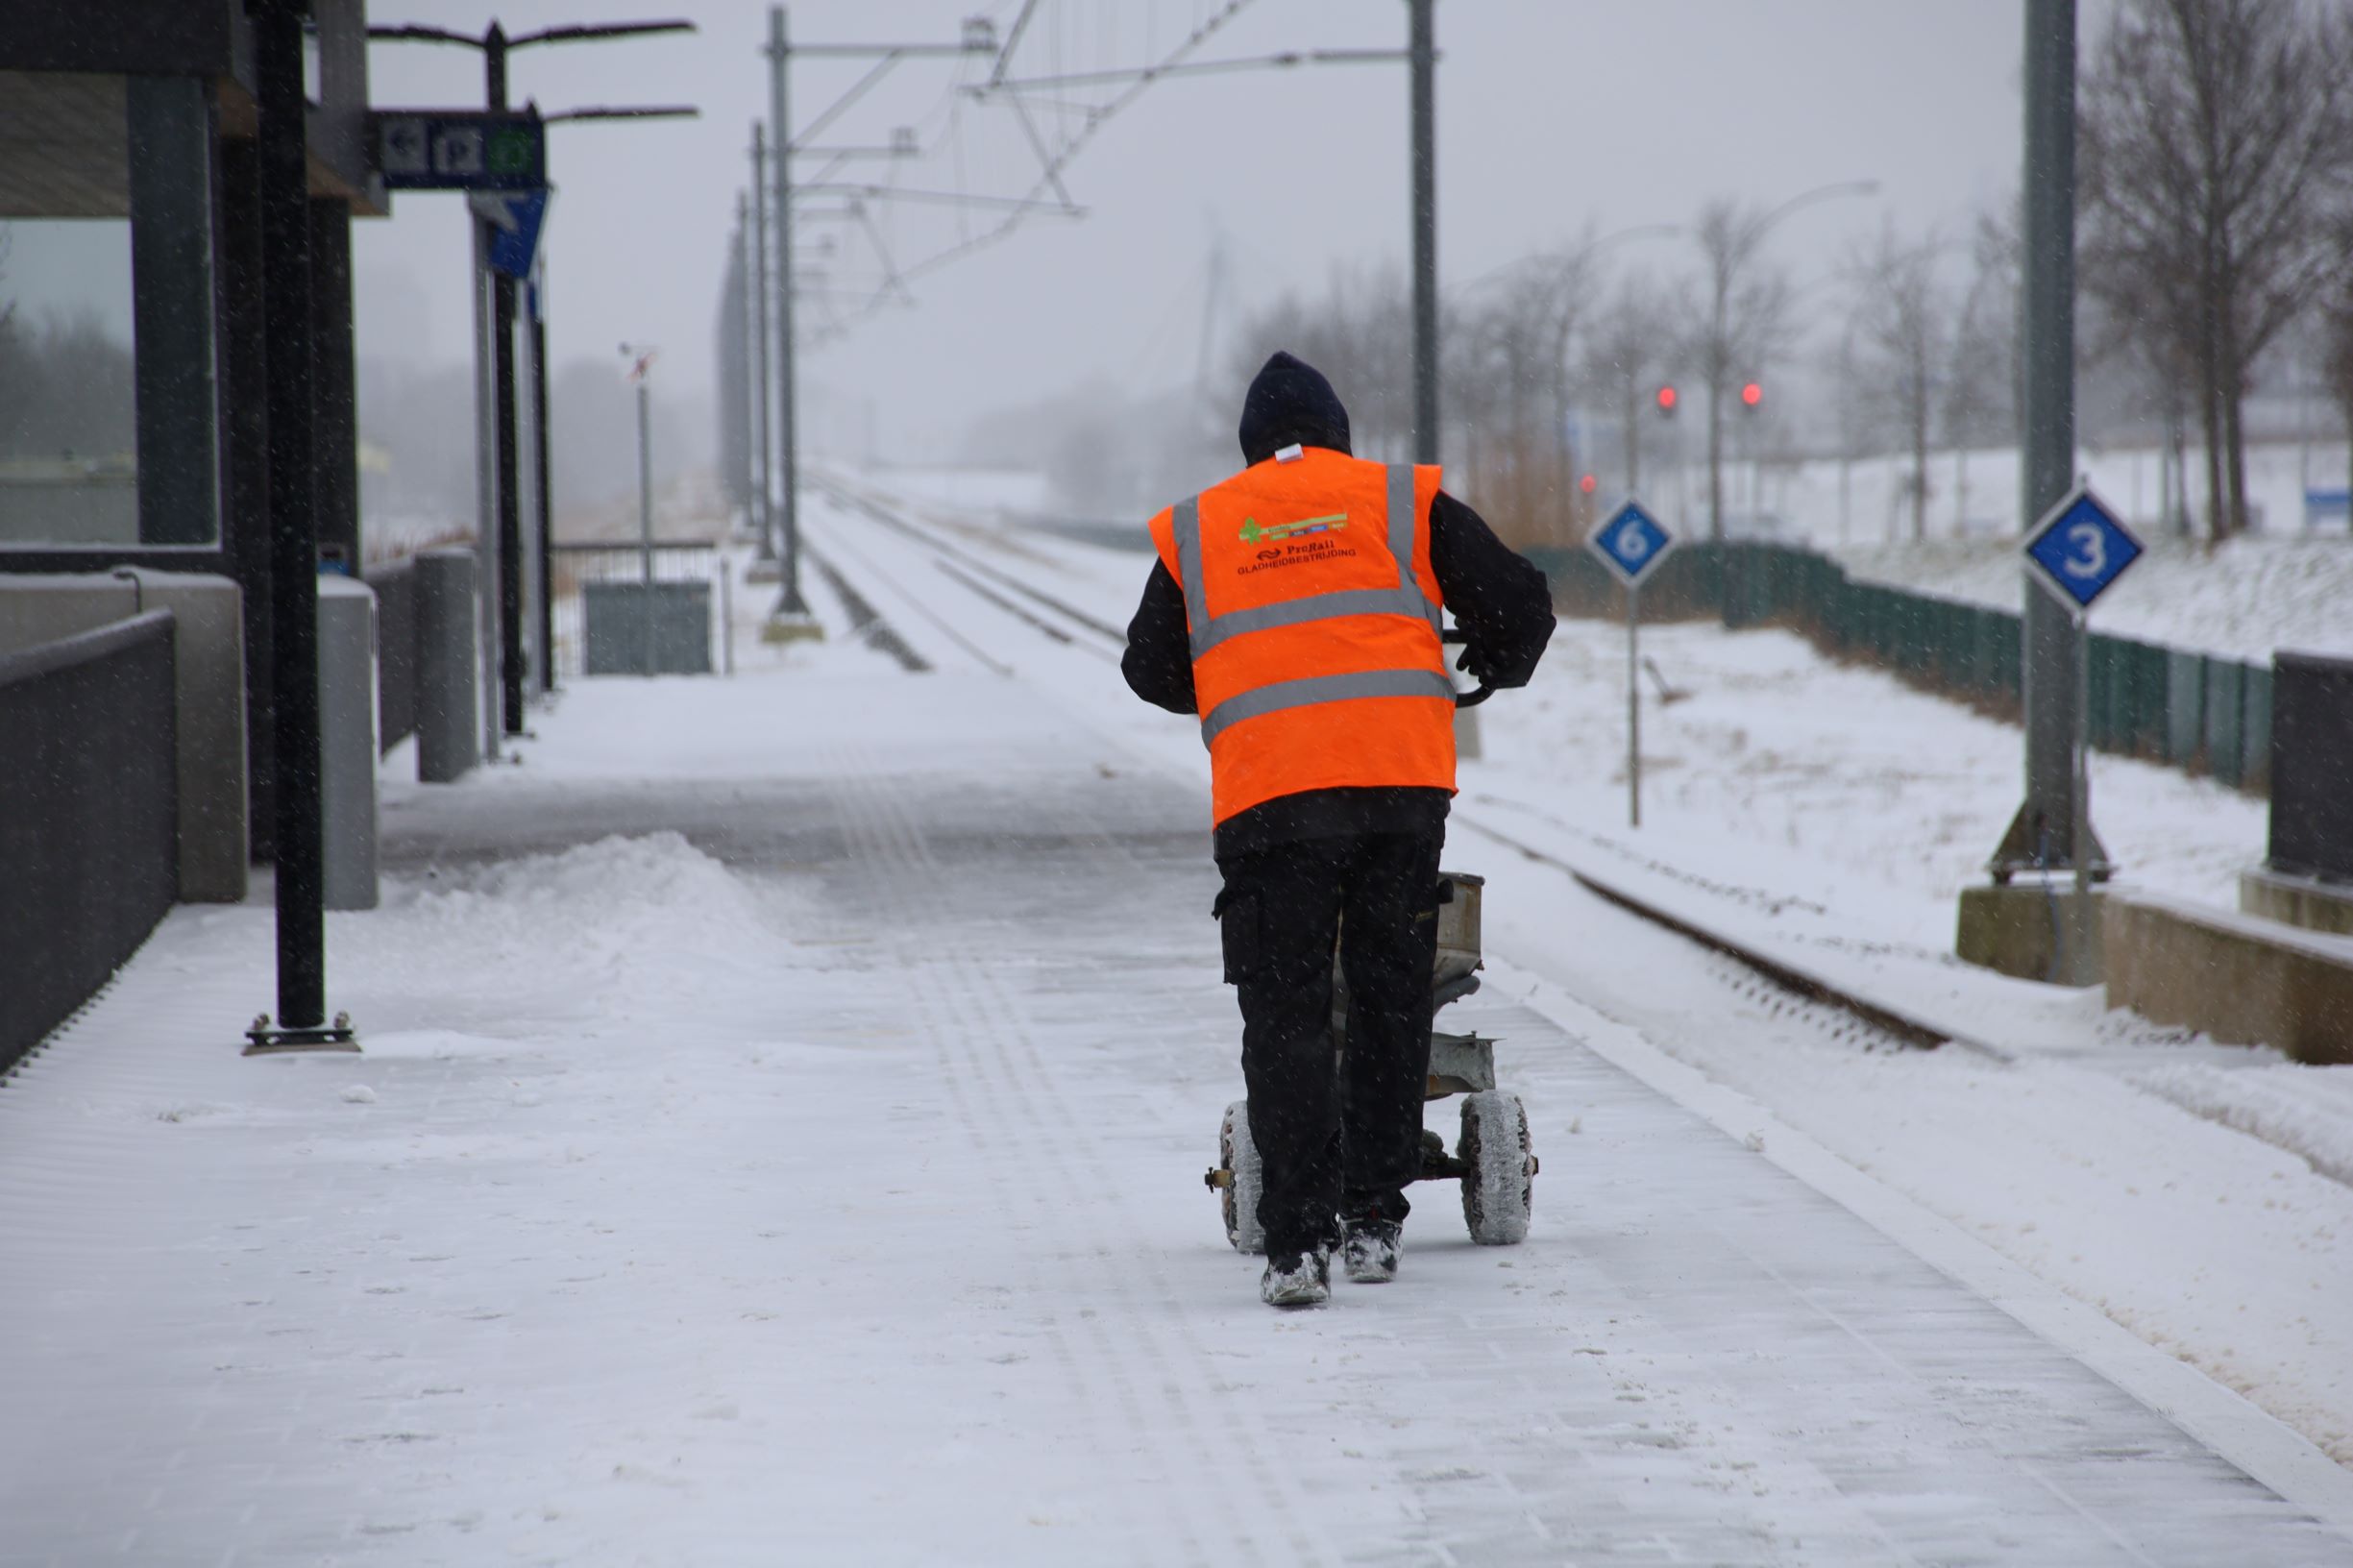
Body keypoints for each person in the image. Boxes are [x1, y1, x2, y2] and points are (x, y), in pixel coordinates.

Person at [1122, 351, 1556, 1307]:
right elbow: (1520, 601)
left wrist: (1244, 689)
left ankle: (1297, 1246)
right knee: (1389, 993)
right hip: (1396, 792)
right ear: (1339, 435)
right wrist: (1491, 661)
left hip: (1271, 799)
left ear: (1248, 447)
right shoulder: (1395, 501)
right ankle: (1370, 1217)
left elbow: (1148, 668)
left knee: (1284, 1013)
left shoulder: (1202, 526)